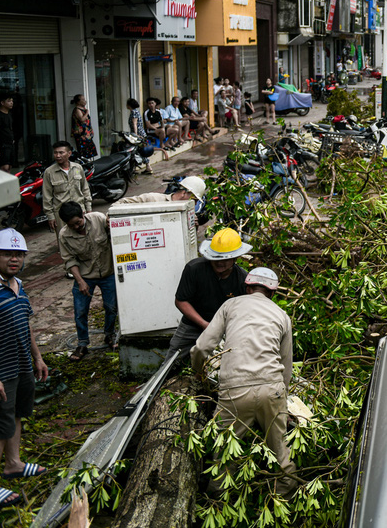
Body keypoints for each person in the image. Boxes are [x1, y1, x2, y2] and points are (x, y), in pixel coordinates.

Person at [191, 267, 295, 494]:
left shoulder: (231, 305)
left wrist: (198, 373)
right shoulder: (282, 315)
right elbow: (286, 366)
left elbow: (202, 347)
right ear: (272, 293)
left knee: (225, 455)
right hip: (272, 387)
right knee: (280, 451)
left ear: (247, 288)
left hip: (234, 391)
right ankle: (285, 500)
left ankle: (217, 505)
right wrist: (282, 404)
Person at [0, 229, 49, 509]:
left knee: (18, 415)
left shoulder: (19, 285)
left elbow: (26, 326)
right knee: (0, 429)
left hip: (21, 366)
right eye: (7, 254)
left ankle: (13, 464)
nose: (14, 259)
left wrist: (38, 358)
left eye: (19, 254)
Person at [168, 228, 250, 357]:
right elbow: (181, 301)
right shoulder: (194, 269)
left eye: (225, 259)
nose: (220, 263)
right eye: (216, 258)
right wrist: (204, 324)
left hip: (224, 329)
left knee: (226, 361)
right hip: (192, 324)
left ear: (235, 258)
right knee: (173, 359)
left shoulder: (242, 279)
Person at [56, 202, 117, 360]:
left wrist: (113, 223)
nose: (76, 227)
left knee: (111, 307)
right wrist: (80, 281)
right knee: (80, 311)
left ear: (83, 214)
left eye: (78, 222)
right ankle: (82, 343)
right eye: (72, 225)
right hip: (85, 276)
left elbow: (114, 233)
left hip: (108, 272)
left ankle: (109, 335)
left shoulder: (98, 219)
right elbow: (69, 260)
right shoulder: (64, 235)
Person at [42, 140, 92, 233]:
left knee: (84, 237)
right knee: (64, 240)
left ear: (69, 153)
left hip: (79, 212)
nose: (57, 156)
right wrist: (50, 216)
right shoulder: (49, 172)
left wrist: (88, 209)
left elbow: (85, 189)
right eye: (55, 153)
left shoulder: (78, 168)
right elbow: (47, 196)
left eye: (61, 152)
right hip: (61, 215)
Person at [120, 175, 206, 206]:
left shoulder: (188, 215)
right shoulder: (152, 199)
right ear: (184, 193)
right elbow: (121, 203)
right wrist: (110, 217)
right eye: (194, 200)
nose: (195, 204)